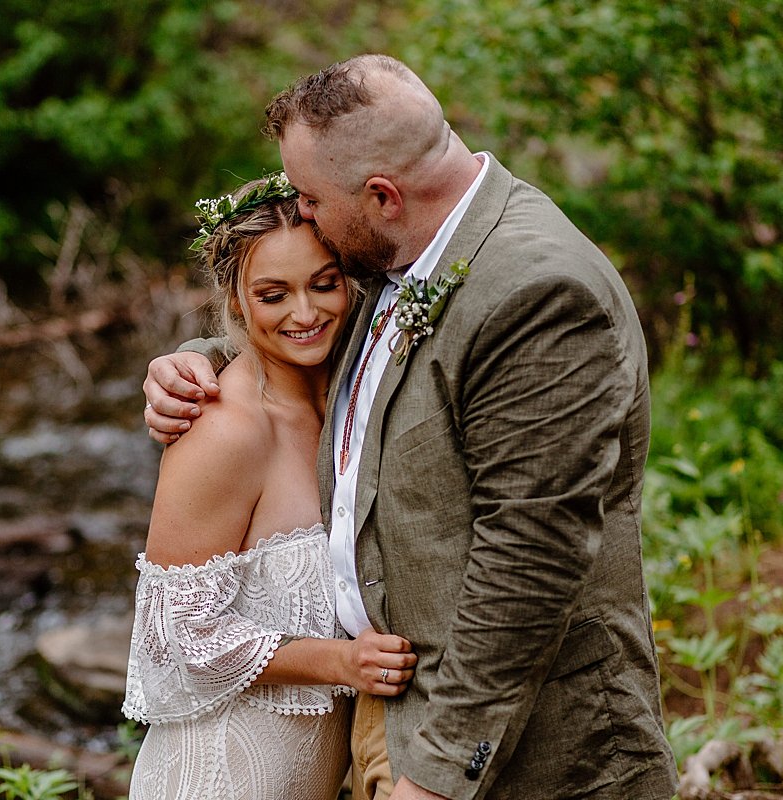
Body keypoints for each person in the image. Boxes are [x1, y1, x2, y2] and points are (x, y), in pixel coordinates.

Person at [144, 55, 678, 800]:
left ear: (382, 195)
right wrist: (194, 362)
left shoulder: (537, 291)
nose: (304, 217)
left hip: (526, 753)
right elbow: (300, 333)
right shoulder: (398, 254)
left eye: (308, 199)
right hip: (384, 723)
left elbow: (529, 557)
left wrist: (432, 779)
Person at [122, 173, 418, 800]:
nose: (305, 314)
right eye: (274, 293)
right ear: (236, 301)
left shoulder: (353, 404)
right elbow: (177, 636)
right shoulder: (224, 430)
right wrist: (340, 662)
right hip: (220, 775)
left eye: (323, 284)